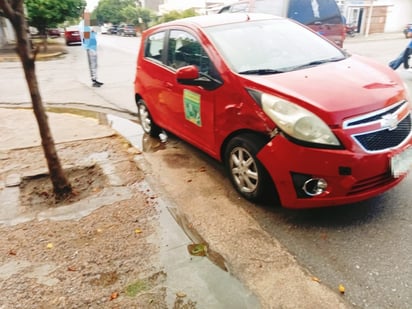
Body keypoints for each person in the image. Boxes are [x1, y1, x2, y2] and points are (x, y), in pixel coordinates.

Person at [79, 19, 103, 87]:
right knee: (92, 63)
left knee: (95, 64)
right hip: (89, 46)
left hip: (93, 45)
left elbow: (98, 30)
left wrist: (94, 28)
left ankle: (95, 79)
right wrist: (91, 30)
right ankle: (94, 80)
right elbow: (84, 35)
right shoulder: (82, 23)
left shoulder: (89, 23)